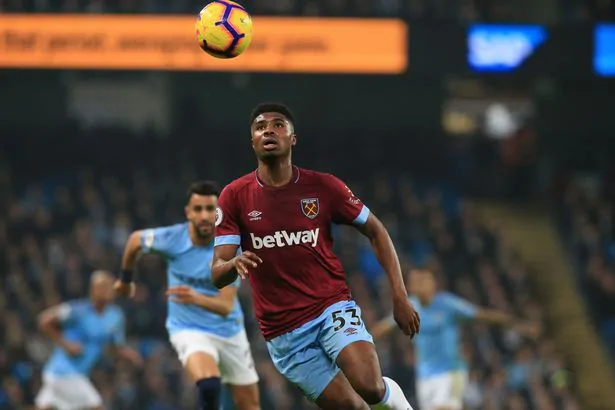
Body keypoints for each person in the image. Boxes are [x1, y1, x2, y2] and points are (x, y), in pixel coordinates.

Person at [212, 102, 420, 410]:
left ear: (293, 138)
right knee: (352, 407)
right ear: (252, 141)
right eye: (260, 127)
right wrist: (233, 264)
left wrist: (400, 296)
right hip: (283, 333)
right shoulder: (234, 196)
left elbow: (376, 230)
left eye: (278, 125)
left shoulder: (323, 186)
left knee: (371, 388)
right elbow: (216, 273)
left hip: (330, 307)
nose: (269, 130)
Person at [114, 181, 260, 410]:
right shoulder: (172, 238)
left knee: (248, 404)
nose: (204, 215)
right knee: (209, 384)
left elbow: (224, 306)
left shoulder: (228, 247)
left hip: (229, 331)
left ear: (218, 213)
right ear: (188, 212)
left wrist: (194, 297)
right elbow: (135, 241)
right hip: (188, 328)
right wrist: (125, 281)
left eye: (210, 209)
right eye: (198, 209)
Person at [371, 267, 540, 410]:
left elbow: (484, 315)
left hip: (450, 373)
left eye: (423, 280)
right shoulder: (410, 307)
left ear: (433, 283)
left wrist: (520, 325)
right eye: (415, 281)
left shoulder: (447, 304)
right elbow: (384, 328)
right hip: (425, 377)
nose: (419, 284)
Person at [35, 270, 142, 410]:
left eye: (109, 286)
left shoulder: (116, 317)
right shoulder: (77, 310)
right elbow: (44, 320)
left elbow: (116, 346)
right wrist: (66, 345)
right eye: (102, 287)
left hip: (76, 373)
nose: (107, 290)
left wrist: (131, 356)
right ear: (92, 290)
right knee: (95, 406)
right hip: (64, 372)